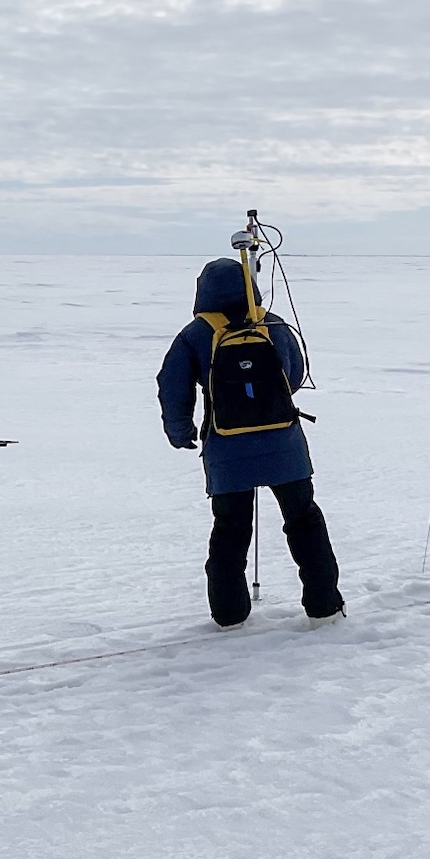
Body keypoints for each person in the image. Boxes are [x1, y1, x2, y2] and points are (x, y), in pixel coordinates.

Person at [156, 257, 344, 628]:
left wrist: (180, 430)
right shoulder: (272, 324)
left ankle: (229, 617)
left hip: (227, 450)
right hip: (284, 445)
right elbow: (294, 374)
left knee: (231, 530)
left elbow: (171, 386)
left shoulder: (195, 334)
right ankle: (324, 609)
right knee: (304, 522)